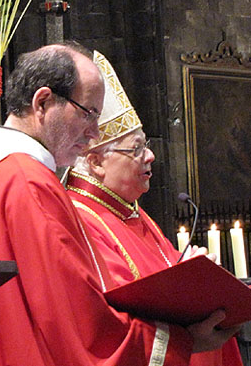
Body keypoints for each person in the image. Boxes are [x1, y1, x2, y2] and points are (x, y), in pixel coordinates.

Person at [0, 43, 239, 366]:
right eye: (89, 113)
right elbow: (83, 327)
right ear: (43, 102)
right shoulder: (30, 183)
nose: (94, 133)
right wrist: (184, 342)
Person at [66, 50, 243, 366]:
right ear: (95, 162)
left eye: (145, 145)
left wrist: (193, 270)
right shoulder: (80, 218)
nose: (149, 156)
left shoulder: (132, 212)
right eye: (136, 148)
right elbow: (111, 319)